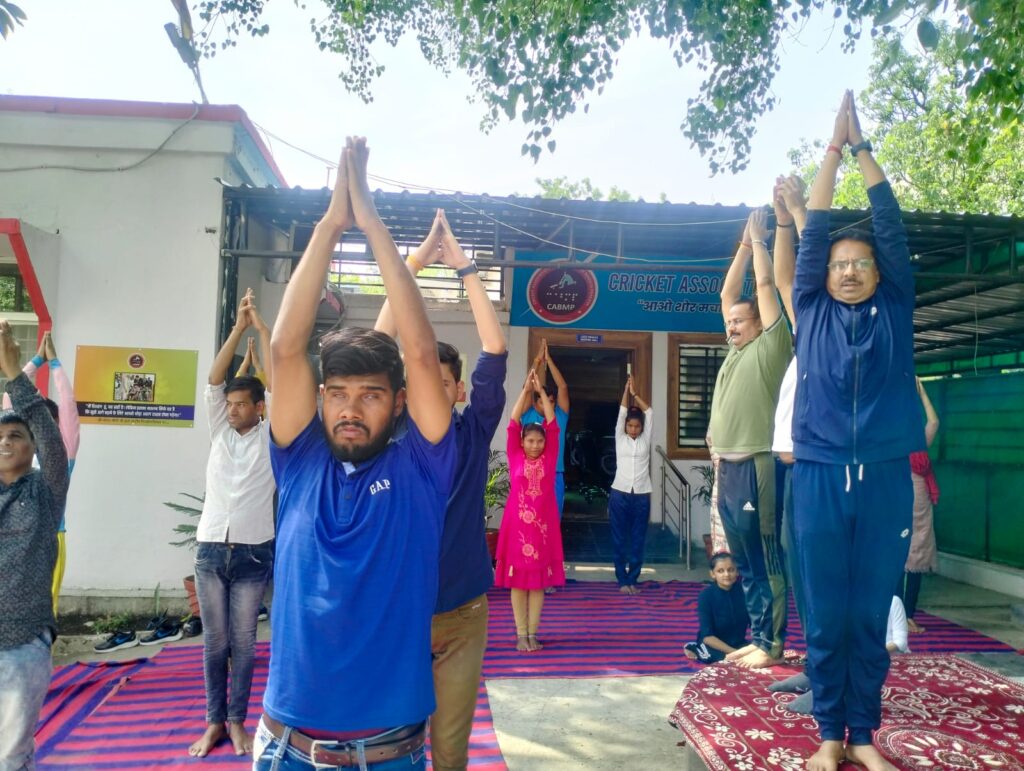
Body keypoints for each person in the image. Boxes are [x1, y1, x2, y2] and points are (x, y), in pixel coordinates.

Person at [255, 136, 456, 771]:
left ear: (399, 403)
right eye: (337, 394)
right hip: (286, 748)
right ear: (320, 399)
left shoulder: (422, 467)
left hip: (387, 754)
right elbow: (286, 347)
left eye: (370, 395)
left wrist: (369, 220)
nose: (350, 409)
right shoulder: (299, 460)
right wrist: (329, 223)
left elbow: (422, 354)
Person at [792, 91, 923, 771]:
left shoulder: (894, 308)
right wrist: (831, 150)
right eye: (839, 263)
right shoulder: (808, 305)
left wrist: (863, 148)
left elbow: (891, 226)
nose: (847, 270)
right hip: (815, 472)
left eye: (860, 263)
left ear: (878, 275)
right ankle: (827, 732)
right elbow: (813, 229)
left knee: (869, 607)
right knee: (824, 608)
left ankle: (863, 733)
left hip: (883, 475)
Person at [374, 208, 508, 771]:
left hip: (463, 613)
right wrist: (413, 264)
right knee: (389, 743)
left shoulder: (474, 432)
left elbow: (495, 352)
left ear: (455, 391)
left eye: (445, 382)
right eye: (423, 380)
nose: (434, 388)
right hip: (396, 611)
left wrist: (466, 269)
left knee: (450, 750)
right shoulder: (392, 435)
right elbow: (376, 346)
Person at [188, 289, 275, 758]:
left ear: (259, 407)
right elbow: (214, 378)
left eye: (243, 404)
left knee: (243, 643)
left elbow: (280, 383)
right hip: (209, 550)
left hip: (253, 551)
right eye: (231, 404)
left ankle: (239, 722)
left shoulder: (274, 436)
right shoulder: (219, 432)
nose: (234, 409)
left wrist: (261, 331)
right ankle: (213, 722)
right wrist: (239, 329)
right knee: (214, 643)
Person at [708, 207, 792, 670]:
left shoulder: (772, 347)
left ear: (760, 323)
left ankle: (773, 643)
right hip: (729, 468)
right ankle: (760, 636)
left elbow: (763, 288)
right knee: (742, 562)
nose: (732, 326)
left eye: (740, 322)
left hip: (758, 465)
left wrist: (759, 241)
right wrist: (741, 245)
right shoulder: (735, 352)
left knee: (764, 560)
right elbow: (726, 291)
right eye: (730, 323)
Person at [0, 319, 70, 771]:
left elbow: (52, 439)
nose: (6, 442)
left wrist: (13, 372)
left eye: (16, 436)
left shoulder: (45, 490)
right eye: (1, 436)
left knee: (10, 757)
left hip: (21, 647)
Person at [1, 331, 80, 617]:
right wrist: (36, 359)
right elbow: (12, 396)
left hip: (49, 536)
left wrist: (55, 364)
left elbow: (69, 408)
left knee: (44, 609)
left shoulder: (62, 454)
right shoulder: (11, 445)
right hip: (9, 538)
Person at [494, 370, 565, 652]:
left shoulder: (549, 456)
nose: (535, 445)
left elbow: (553, 424)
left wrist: (543, 395)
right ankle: (520, 634)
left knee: (536, 583)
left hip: (543, 528)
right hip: (517, 527)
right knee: (518, 583)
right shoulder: (515, 455)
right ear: (522, 442)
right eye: (530, 441)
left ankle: (533, 634)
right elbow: (512, 422)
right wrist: (526, 390)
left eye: (539, 441)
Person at [902, 377, 940, 634]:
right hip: (910, 499)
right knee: (911, 557)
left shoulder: (902, 442)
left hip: (903, 499)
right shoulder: (913, 445)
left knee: (904, 558)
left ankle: (901, 617)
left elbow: (934, 423)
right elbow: (934, 421)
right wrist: (923, 394)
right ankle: (904, 616)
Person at [609, 375, 653, 595]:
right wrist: (626, 391)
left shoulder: (645, 439)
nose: (633, 429)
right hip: (620, 493)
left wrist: (636, 394)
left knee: (637, 538)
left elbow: (650, 412)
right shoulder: (620, 437)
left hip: (642, 494)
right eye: (630, 425)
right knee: (619, 537)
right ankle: (621, 580)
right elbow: (622, 412)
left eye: (637, 426)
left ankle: (633, 579)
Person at [521, 339, 569, 515]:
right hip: (529, 474)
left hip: (554, 474)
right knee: (530, 520)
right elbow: (526, 389)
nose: (548, 405)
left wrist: (549, 360)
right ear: (535, 404)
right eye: (543, 401)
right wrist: (537, 361)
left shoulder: (560, 417)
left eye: (551, 402)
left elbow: (562, 387)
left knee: (553, 521)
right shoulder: (527, 414)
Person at [684, 553, 749, 664]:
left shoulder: (746, 592)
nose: (727, 574)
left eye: (731, 570)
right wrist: (735, 653)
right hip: (712, 643)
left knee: (762, 654)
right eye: (720, 571)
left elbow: (757, 624)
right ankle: (694, 647)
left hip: (738, 643)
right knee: (717, 659)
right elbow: (707, 636)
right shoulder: (706, 596)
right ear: (713, 574)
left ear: (737, 571)